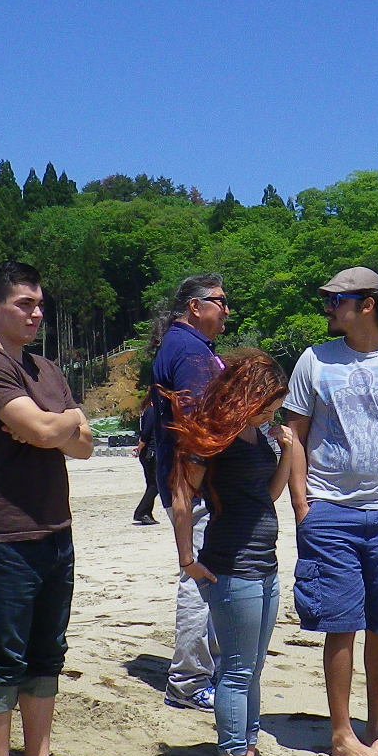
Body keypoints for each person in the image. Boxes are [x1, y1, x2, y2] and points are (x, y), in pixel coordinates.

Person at [0, 261, 98, 756]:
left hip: (54, 528)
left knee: (47, 656)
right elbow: (50, 432)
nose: (35, 313)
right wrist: (58, 424)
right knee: (2, 661)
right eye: (23, 304)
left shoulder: (46, 367)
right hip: (4, 532)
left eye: (39, 304)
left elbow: (84, 444)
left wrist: (54, 424)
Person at [285, 268, 378, 756]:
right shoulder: (314, 361)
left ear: (367, 304)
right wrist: (304, 507)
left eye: (335, 301)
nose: (327, 310)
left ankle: (375, 727)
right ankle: (342, 733)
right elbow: (295, 437)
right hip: (329, 510)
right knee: (340, 622)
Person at [168, 350, 300, 756]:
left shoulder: (257, 436)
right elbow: (182, 498)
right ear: (248, 395)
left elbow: (269, 494)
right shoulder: (214, 438)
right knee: (239, 670)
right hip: (232, 566)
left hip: (265, 561)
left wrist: (287, 452)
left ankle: (247, 751)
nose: (273, 411)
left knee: (253, 668)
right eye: (268, 402)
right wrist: (188, 560)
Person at [150, 274, 230, 712]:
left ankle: (201, 672)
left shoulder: (188, 348)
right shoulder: (190, 352)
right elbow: (198, 429)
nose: (226, 310)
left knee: (205, 576)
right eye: (219, 301)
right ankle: (189, 681)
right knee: (199, 578)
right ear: (195, 307)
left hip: (192, 485)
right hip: (195, 486)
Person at [132, 403, 161, 524]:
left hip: (151, 451)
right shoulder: (152, 410)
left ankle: (147, 512)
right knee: (156, 484)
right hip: (150, 452)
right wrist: (139, 448)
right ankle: (141, 512)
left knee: (152, 484)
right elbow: (146, 432)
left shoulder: (151, 410)